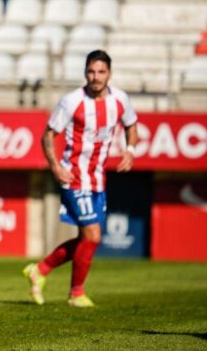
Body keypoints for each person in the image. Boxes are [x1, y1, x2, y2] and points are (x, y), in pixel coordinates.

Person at [22, 50, 139, 308]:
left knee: (86, 238)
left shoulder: (120, 99)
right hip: (73, 176)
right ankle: (76, 293)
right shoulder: (72, 101)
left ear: (109, 73)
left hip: (98, 178)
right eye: (91, 72)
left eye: (101, 72)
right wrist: (55, 167)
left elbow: (132, 126)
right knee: (94, 236)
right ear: (85, 73)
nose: (96, 78)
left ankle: (39, 270)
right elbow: (48, 136)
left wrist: (130, 150)